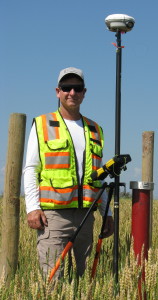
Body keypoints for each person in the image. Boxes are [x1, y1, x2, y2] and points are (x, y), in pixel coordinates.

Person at [23, 67, 114, 279]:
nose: (72, 92)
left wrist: (106, 213)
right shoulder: (42, 124)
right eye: (66, 88)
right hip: (53, 216)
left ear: (84, 92)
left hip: (86, 214)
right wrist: (33, 208)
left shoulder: (95, 129)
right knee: (53, 279)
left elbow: (98, 176)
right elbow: (31, 169)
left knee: (84, 279)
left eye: (77, 88)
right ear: (58, 91)